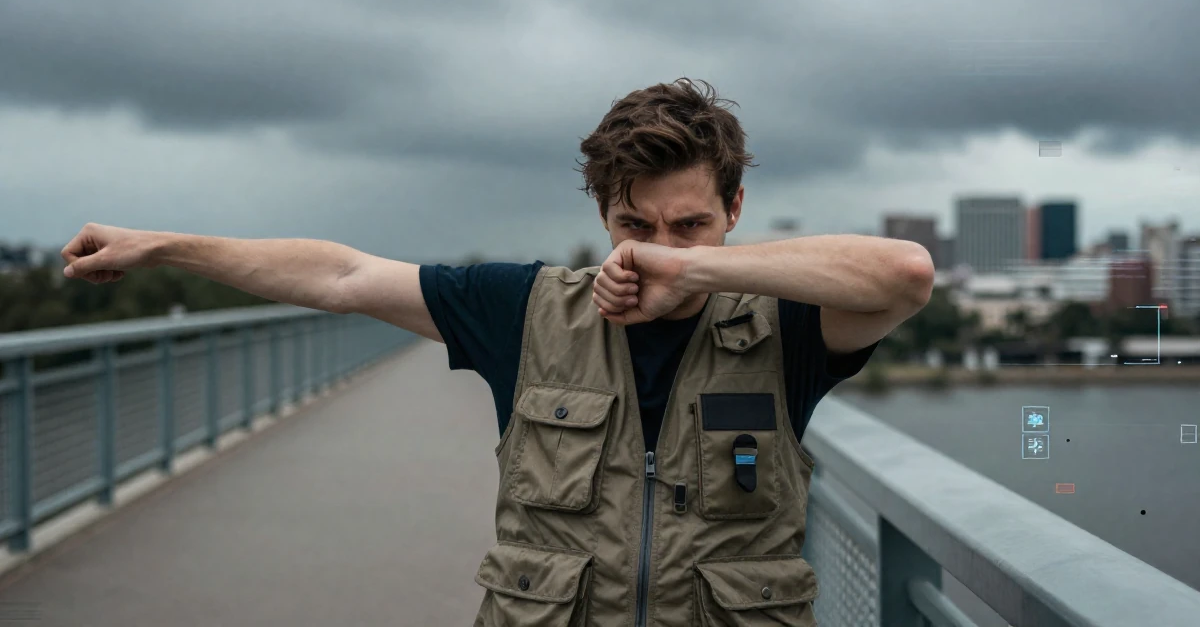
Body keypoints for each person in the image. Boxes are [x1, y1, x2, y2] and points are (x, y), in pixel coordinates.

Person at [61, 78, 934, 626]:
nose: (657, 245)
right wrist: (166, 247)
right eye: (634, 225)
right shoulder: (525, 309)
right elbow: (342, 276)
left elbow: (906, 273)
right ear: (602, 213)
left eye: (691, 223)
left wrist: (692, 269)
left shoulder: (787, 325)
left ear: (735, 209)